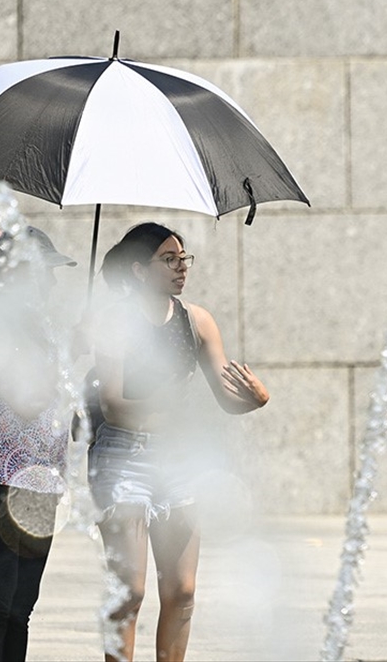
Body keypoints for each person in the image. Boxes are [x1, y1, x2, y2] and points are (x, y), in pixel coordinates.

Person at [88, 222, 269, 662]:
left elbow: (227, 399)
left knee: (183, 590)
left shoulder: (197, 320)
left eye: (183, 258)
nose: (180, 268)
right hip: (122, 459)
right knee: (129, 590)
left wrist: (256, 398)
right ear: (137, 270)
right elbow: (111, 403)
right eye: (168, 259)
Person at [0, 225, 77, 662]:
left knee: (20, 607)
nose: (53, 284)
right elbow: (28, 401)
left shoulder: (41, 329)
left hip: (39, 483)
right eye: (47, 273)